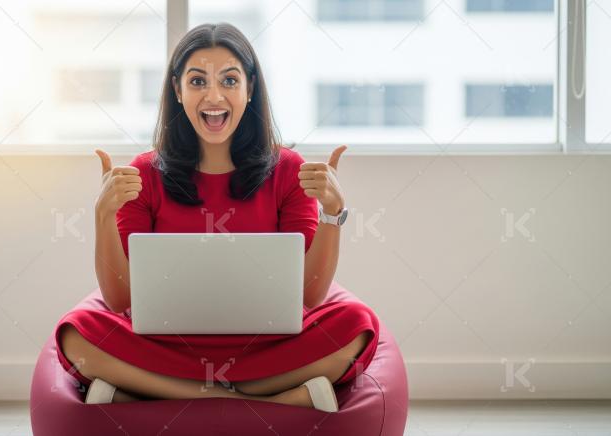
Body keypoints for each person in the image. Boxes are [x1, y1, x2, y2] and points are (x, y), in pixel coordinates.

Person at [56, 22, 379, 411]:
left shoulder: (288, 170)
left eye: (229, 80)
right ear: (177, 90)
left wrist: (332, 213)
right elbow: (118, 298)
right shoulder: (144, 174)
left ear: (250, 88)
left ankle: (156, 393)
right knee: (75, 336)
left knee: (357, 325)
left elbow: (310, 296)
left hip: (264, 344)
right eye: (197, 82)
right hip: (169, 344)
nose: (213, 95)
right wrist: (102, 214)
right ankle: (260, 399)